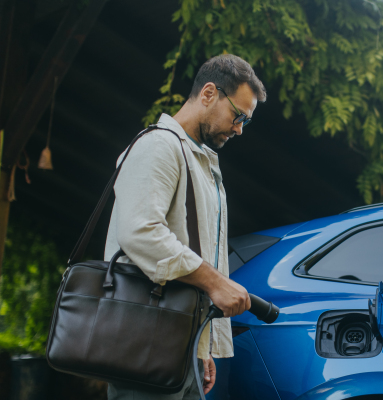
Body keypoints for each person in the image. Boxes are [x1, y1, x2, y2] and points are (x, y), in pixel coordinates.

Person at [103, 54, 267, 399]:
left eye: (245, 122)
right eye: (238, 116)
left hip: (180, 347)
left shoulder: (200, 161)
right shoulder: (158, 146)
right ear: (209, 93)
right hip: (143, 345)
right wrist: (216, 282)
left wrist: (202, 346)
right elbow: (140, 232)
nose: (239, 128)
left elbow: (195, 247)